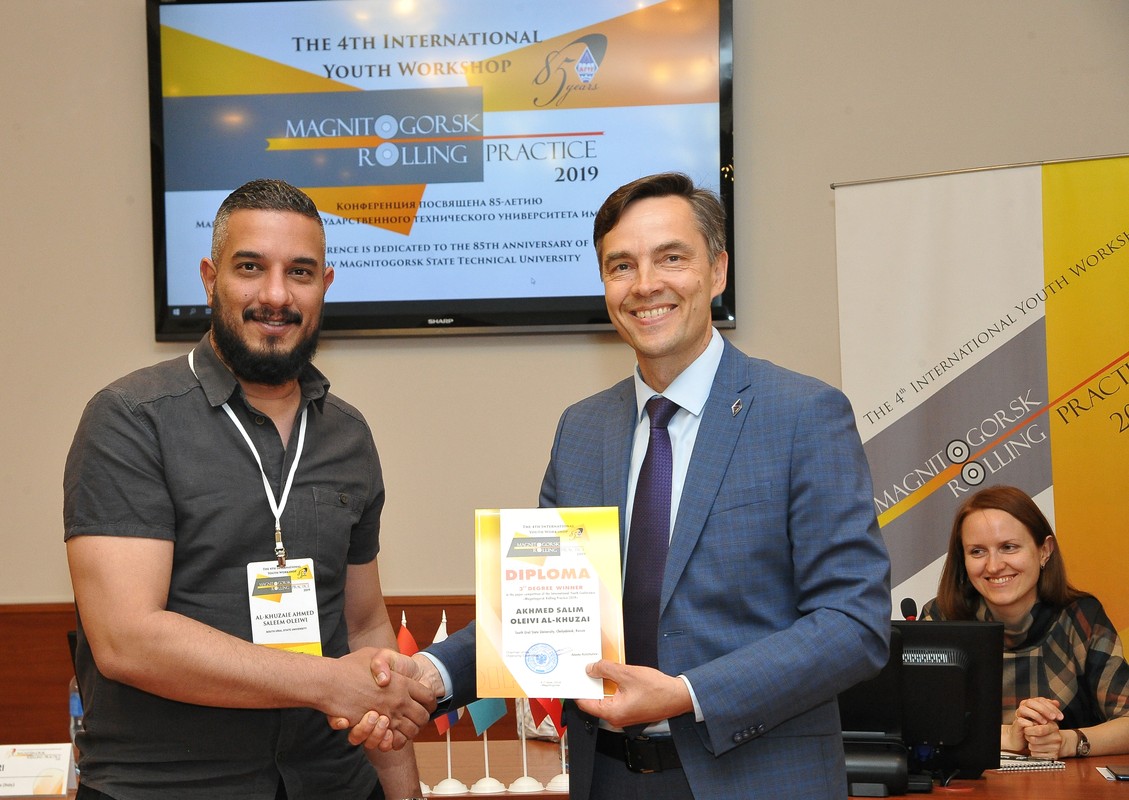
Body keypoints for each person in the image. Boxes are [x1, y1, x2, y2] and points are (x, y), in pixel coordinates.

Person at [361, 172, 892, 798]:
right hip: (607, 777)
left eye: (671, 258)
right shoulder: (582, 430)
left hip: (757, 778)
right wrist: (429, 674)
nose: (645, 285)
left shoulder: (803, 415)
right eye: (621, 266)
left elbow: (853, 623)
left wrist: (688, 694)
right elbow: (542, 613)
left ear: (718, 271)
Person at [64, 179, 434, 800]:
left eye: (300, 272)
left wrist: (405, 793)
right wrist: (327, 684)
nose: (276, 295)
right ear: (210, 278)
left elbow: (365, 627)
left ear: (325, 285)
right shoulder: (131, 419)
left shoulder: (348, 435)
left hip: (331, 782)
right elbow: (127, 640)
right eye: (250, 268)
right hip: (170, 787)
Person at [921, 484, 1129, 760]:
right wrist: (1008, 735)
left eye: (1008, 547)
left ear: (1044, 551)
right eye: (977, 551)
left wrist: (1067, 741)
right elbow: (919, 724)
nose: (994, 566)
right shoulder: (941, 618)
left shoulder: (1081, 617)